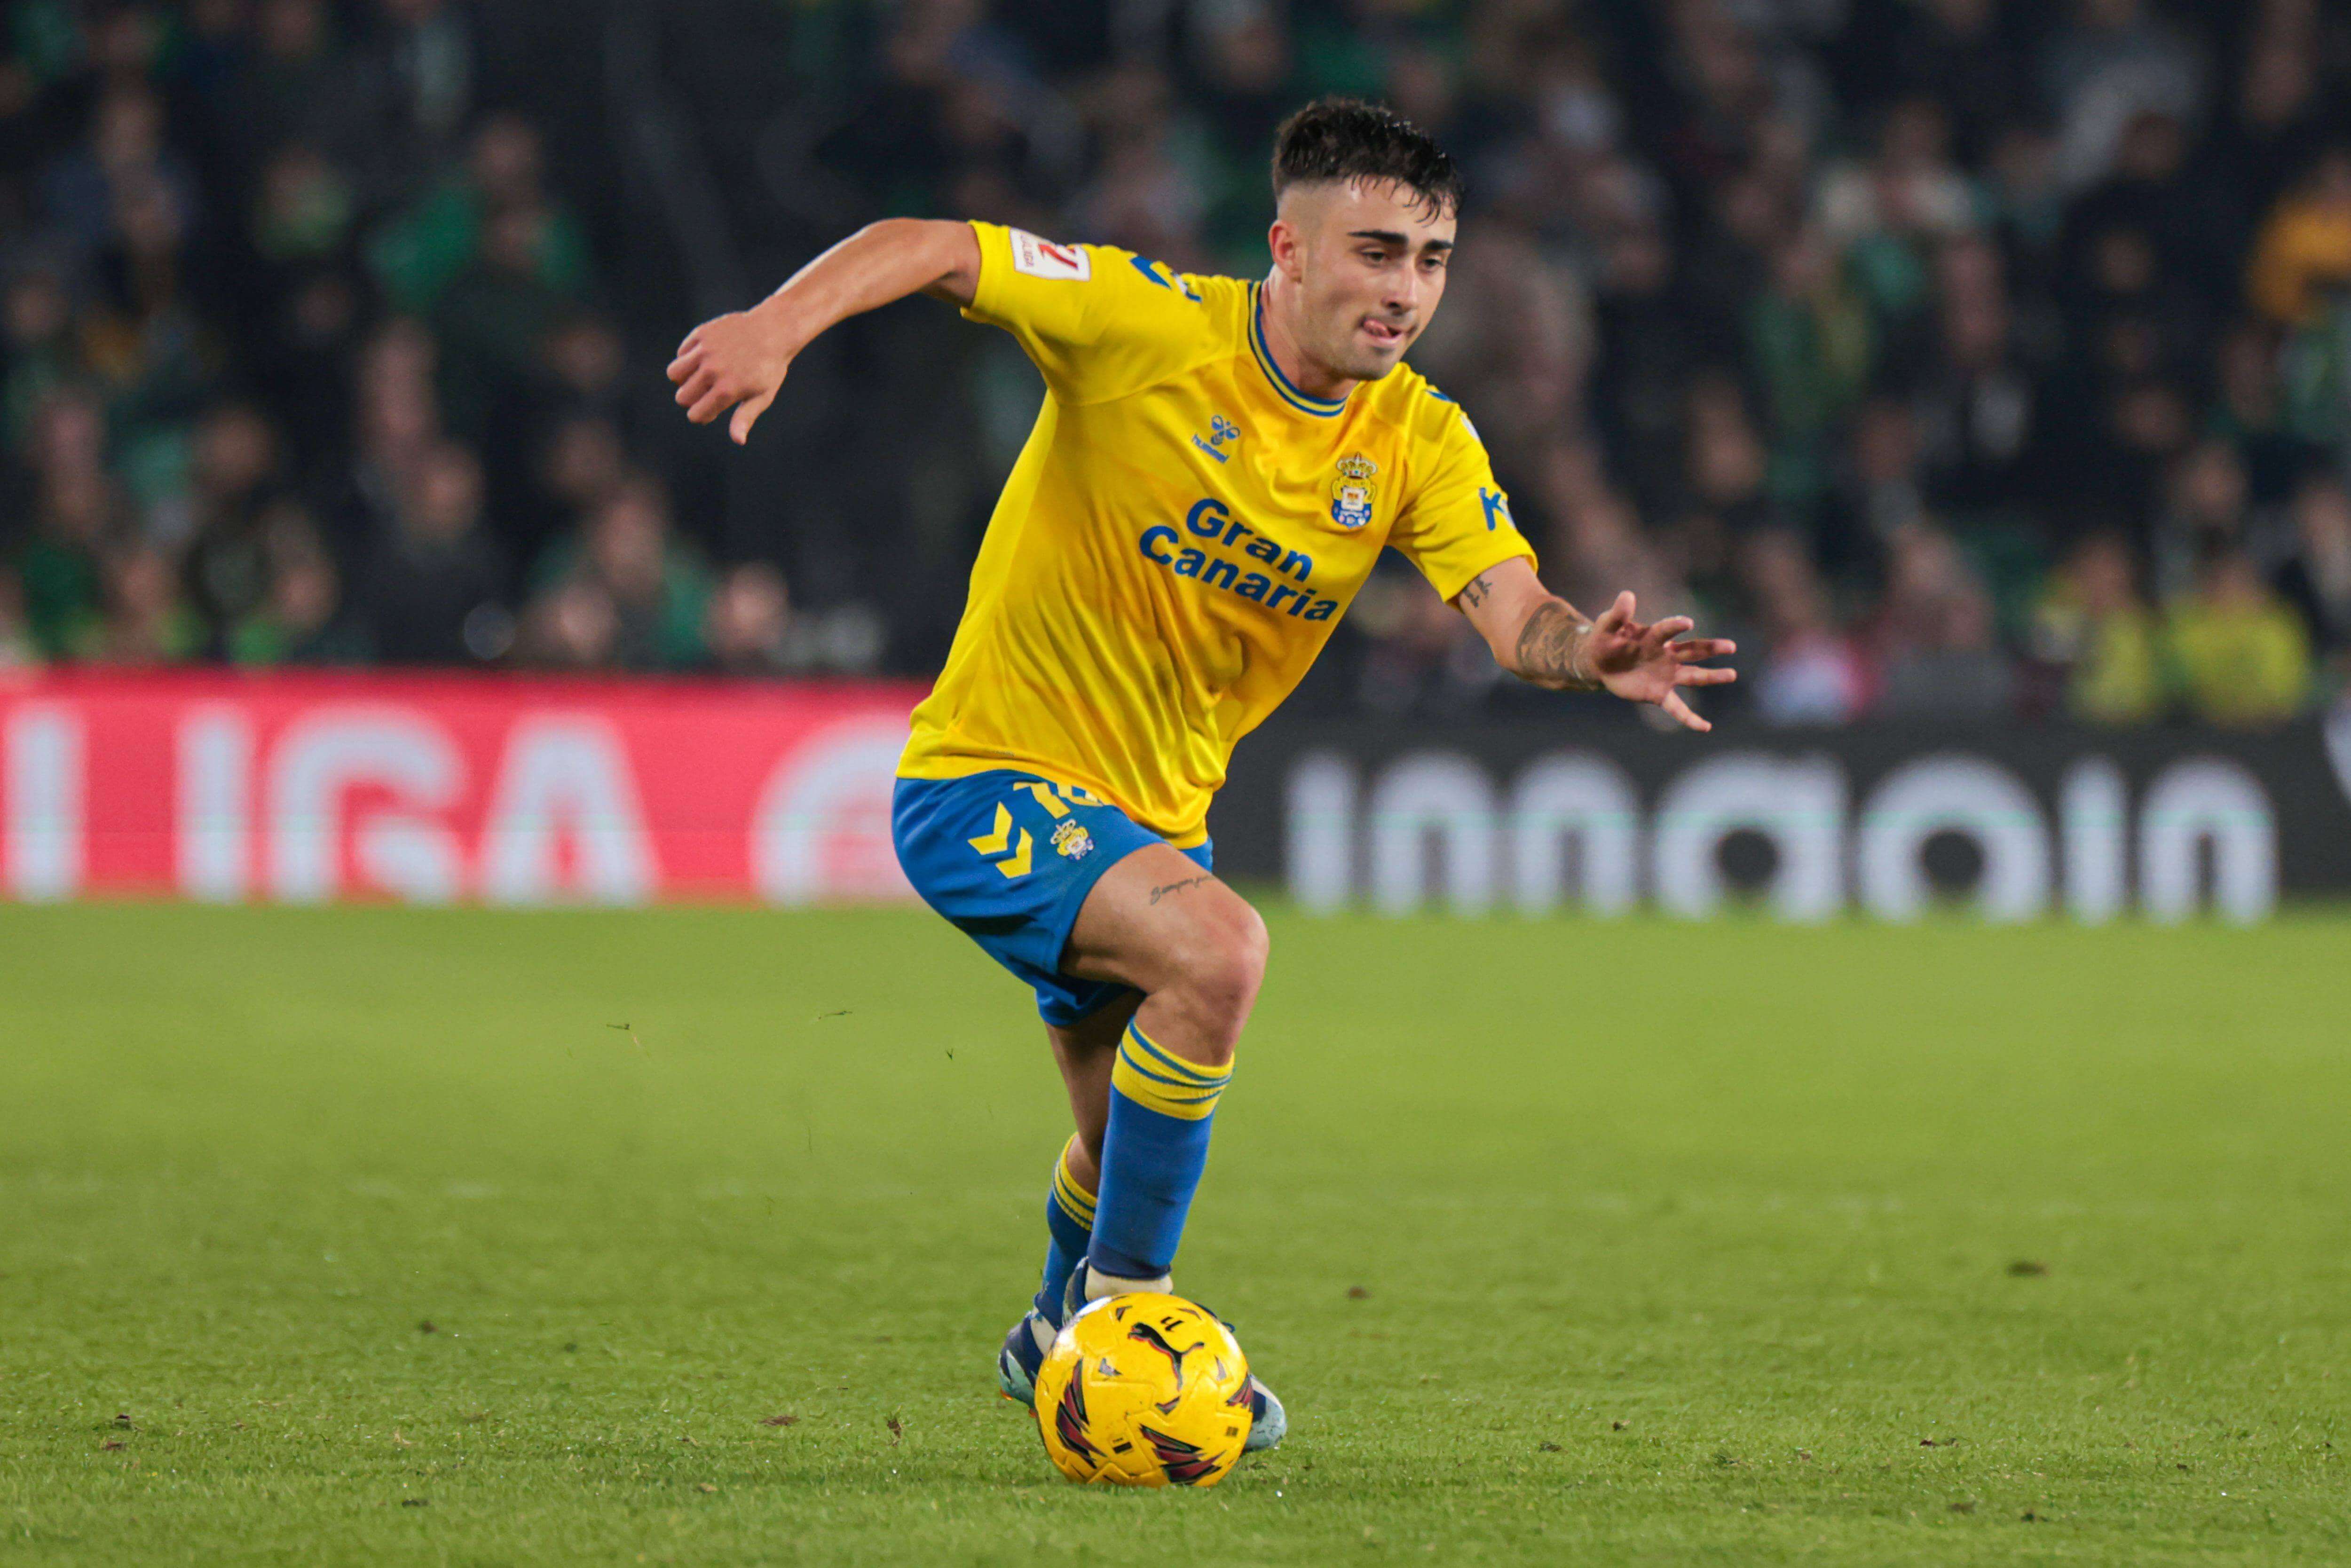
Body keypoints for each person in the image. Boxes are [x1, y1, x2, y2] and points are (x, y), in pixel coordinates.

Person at [668, 98, 1735, 1458]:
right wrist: (779, 327)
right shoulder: (1145, 325)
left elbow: (1511, 614)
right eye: (1375, 252)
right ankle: (1133, 1323)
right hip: (988, 778)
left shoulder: (1417, 440)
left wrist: (1590, 652)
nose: (1405, 290)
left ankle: (1053, 1326)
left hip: (1152, 818)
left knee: (1121, 1149)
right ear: (1287, 249)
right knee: (1223, 957)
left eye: (1431, 259)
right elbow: (933, 245)